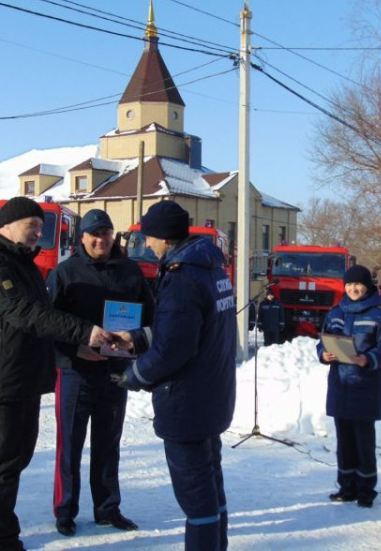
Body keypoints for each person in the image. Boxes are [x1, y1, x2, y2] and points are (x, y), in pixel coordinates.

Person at [0, 197, 112, 551]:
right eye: (34, 226)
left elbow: (40, 319)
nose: (39, 235)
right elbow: (24, 313)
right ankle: (1, 539)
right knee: (3, 461)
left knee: (18, 456)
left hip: (22, 375)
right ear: (10, 224)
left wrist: (76, 348)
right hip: (1, 378)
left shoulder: (20, 263)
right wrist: (84, 331)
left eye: (42, 228)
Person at [113, 200, 236, 551]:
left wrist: (134, 375)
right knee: (211, 485)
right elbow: (184, 331)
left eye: (149, 238)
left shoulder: (182, 276)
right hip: (213, 396)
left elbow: (173, 350)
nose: (147, 245)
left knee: (196, 497)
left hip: (188, 403)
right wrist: (138, 337)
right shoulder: (210, 268)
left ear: (164, 238)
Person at [48, 209, 154, 537]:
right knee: (70, 444)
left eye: (106, 233)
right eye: (94, 233)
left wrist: (135, 345)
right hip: (75, 371)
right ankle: (65, 510)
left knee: (109, 442)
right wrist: (72, 350)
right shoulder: (65, 274)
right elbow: (46, 324)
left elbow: (151, 317)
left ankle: (107, 508)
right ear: (81, 238)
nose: (100, 239)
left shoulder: (130, 272)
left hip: (114, 371)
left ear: (113, 236)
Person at [316, 264, 381, 508]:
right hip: (340, 386)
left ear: (367, 286)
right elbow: (322, 341)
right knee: (344, 442)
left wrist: (368, 359)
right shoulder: (336, 312)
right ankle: (346, 487)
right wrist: (324, 354)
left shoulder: (380, 315)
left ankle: (365, 490)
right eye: (349, 284)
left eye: (358, 284)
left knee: (364, 441)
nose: (353, 288)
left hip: (365, 387)